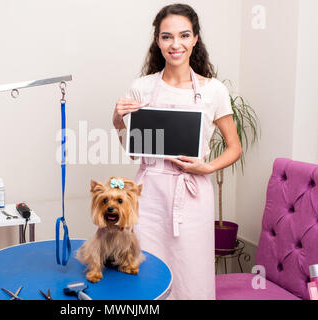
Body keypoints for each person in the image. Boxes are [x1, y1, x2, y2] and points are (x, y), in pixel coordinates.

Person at [112, 4, 242, 300]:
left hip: (193, 193)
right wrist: (117, 120)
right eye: (167, 37)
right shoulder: (141, 88)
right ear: (157, 41)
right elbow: (134, 152)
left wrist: (206, 168)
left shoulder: (213, 91)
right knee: (146, 270)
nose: (175, 44)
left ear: (195, 38)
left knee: (191, 272)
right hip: (149, 194)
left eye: (184, 35)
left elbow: (234, 147)